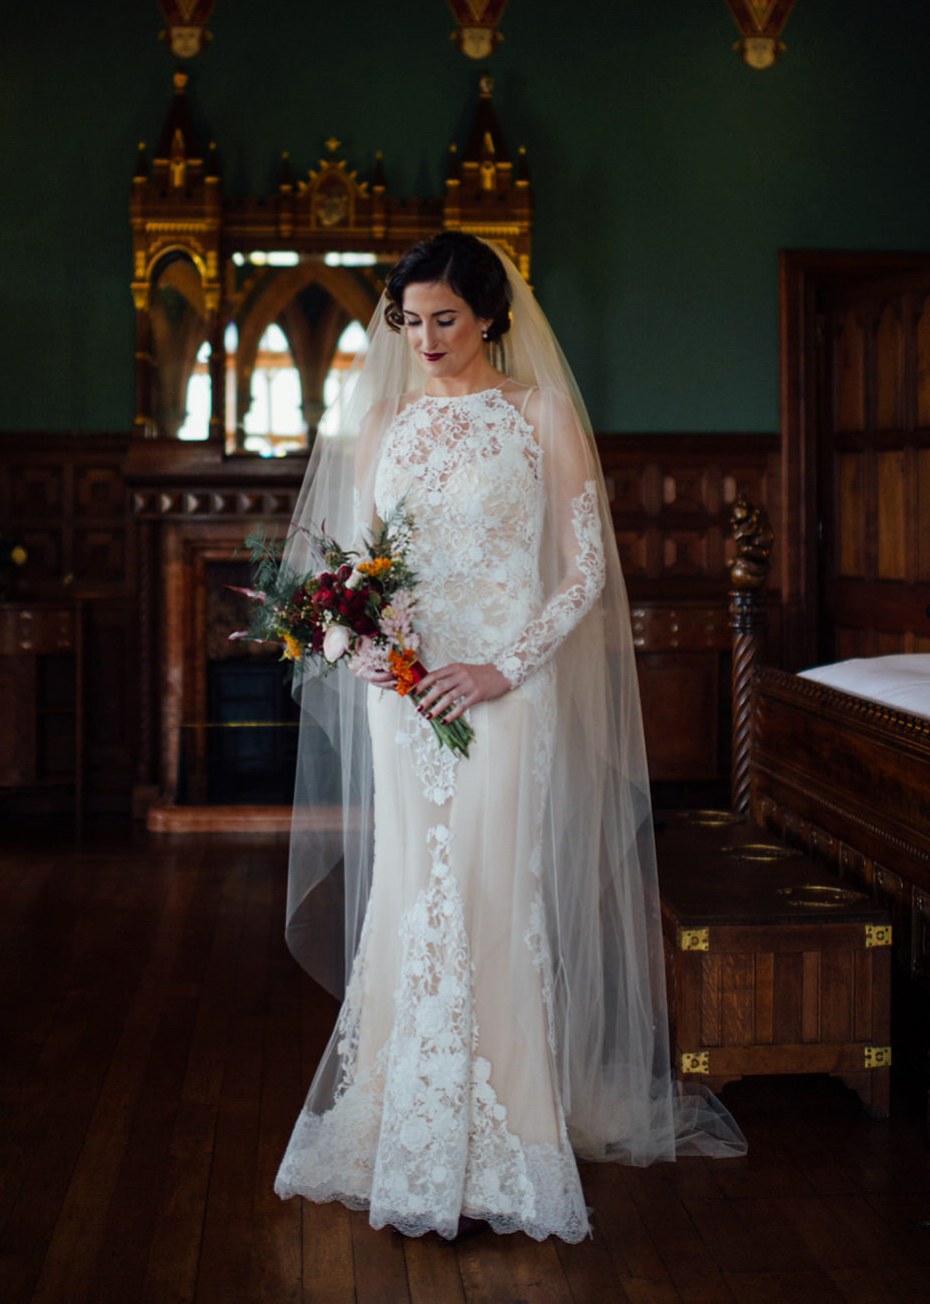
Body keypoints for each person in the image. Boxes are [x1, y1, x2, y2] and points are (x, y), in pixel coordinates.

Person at [273, 233, 744, 1243]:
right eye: (412, 319)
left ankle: (505, 1136)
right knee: (412, 892)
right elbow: (347, 574)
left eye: (446, 318)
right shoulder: (387, 422)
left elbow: (583, 570)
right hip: (403, 701)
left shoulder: (540, 414)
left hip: (501, 689)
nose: (427, 338)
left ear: (490, 315)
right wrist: (361, 652)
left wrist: (502, 667)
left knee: (492, 893)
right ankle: (403, 1126)